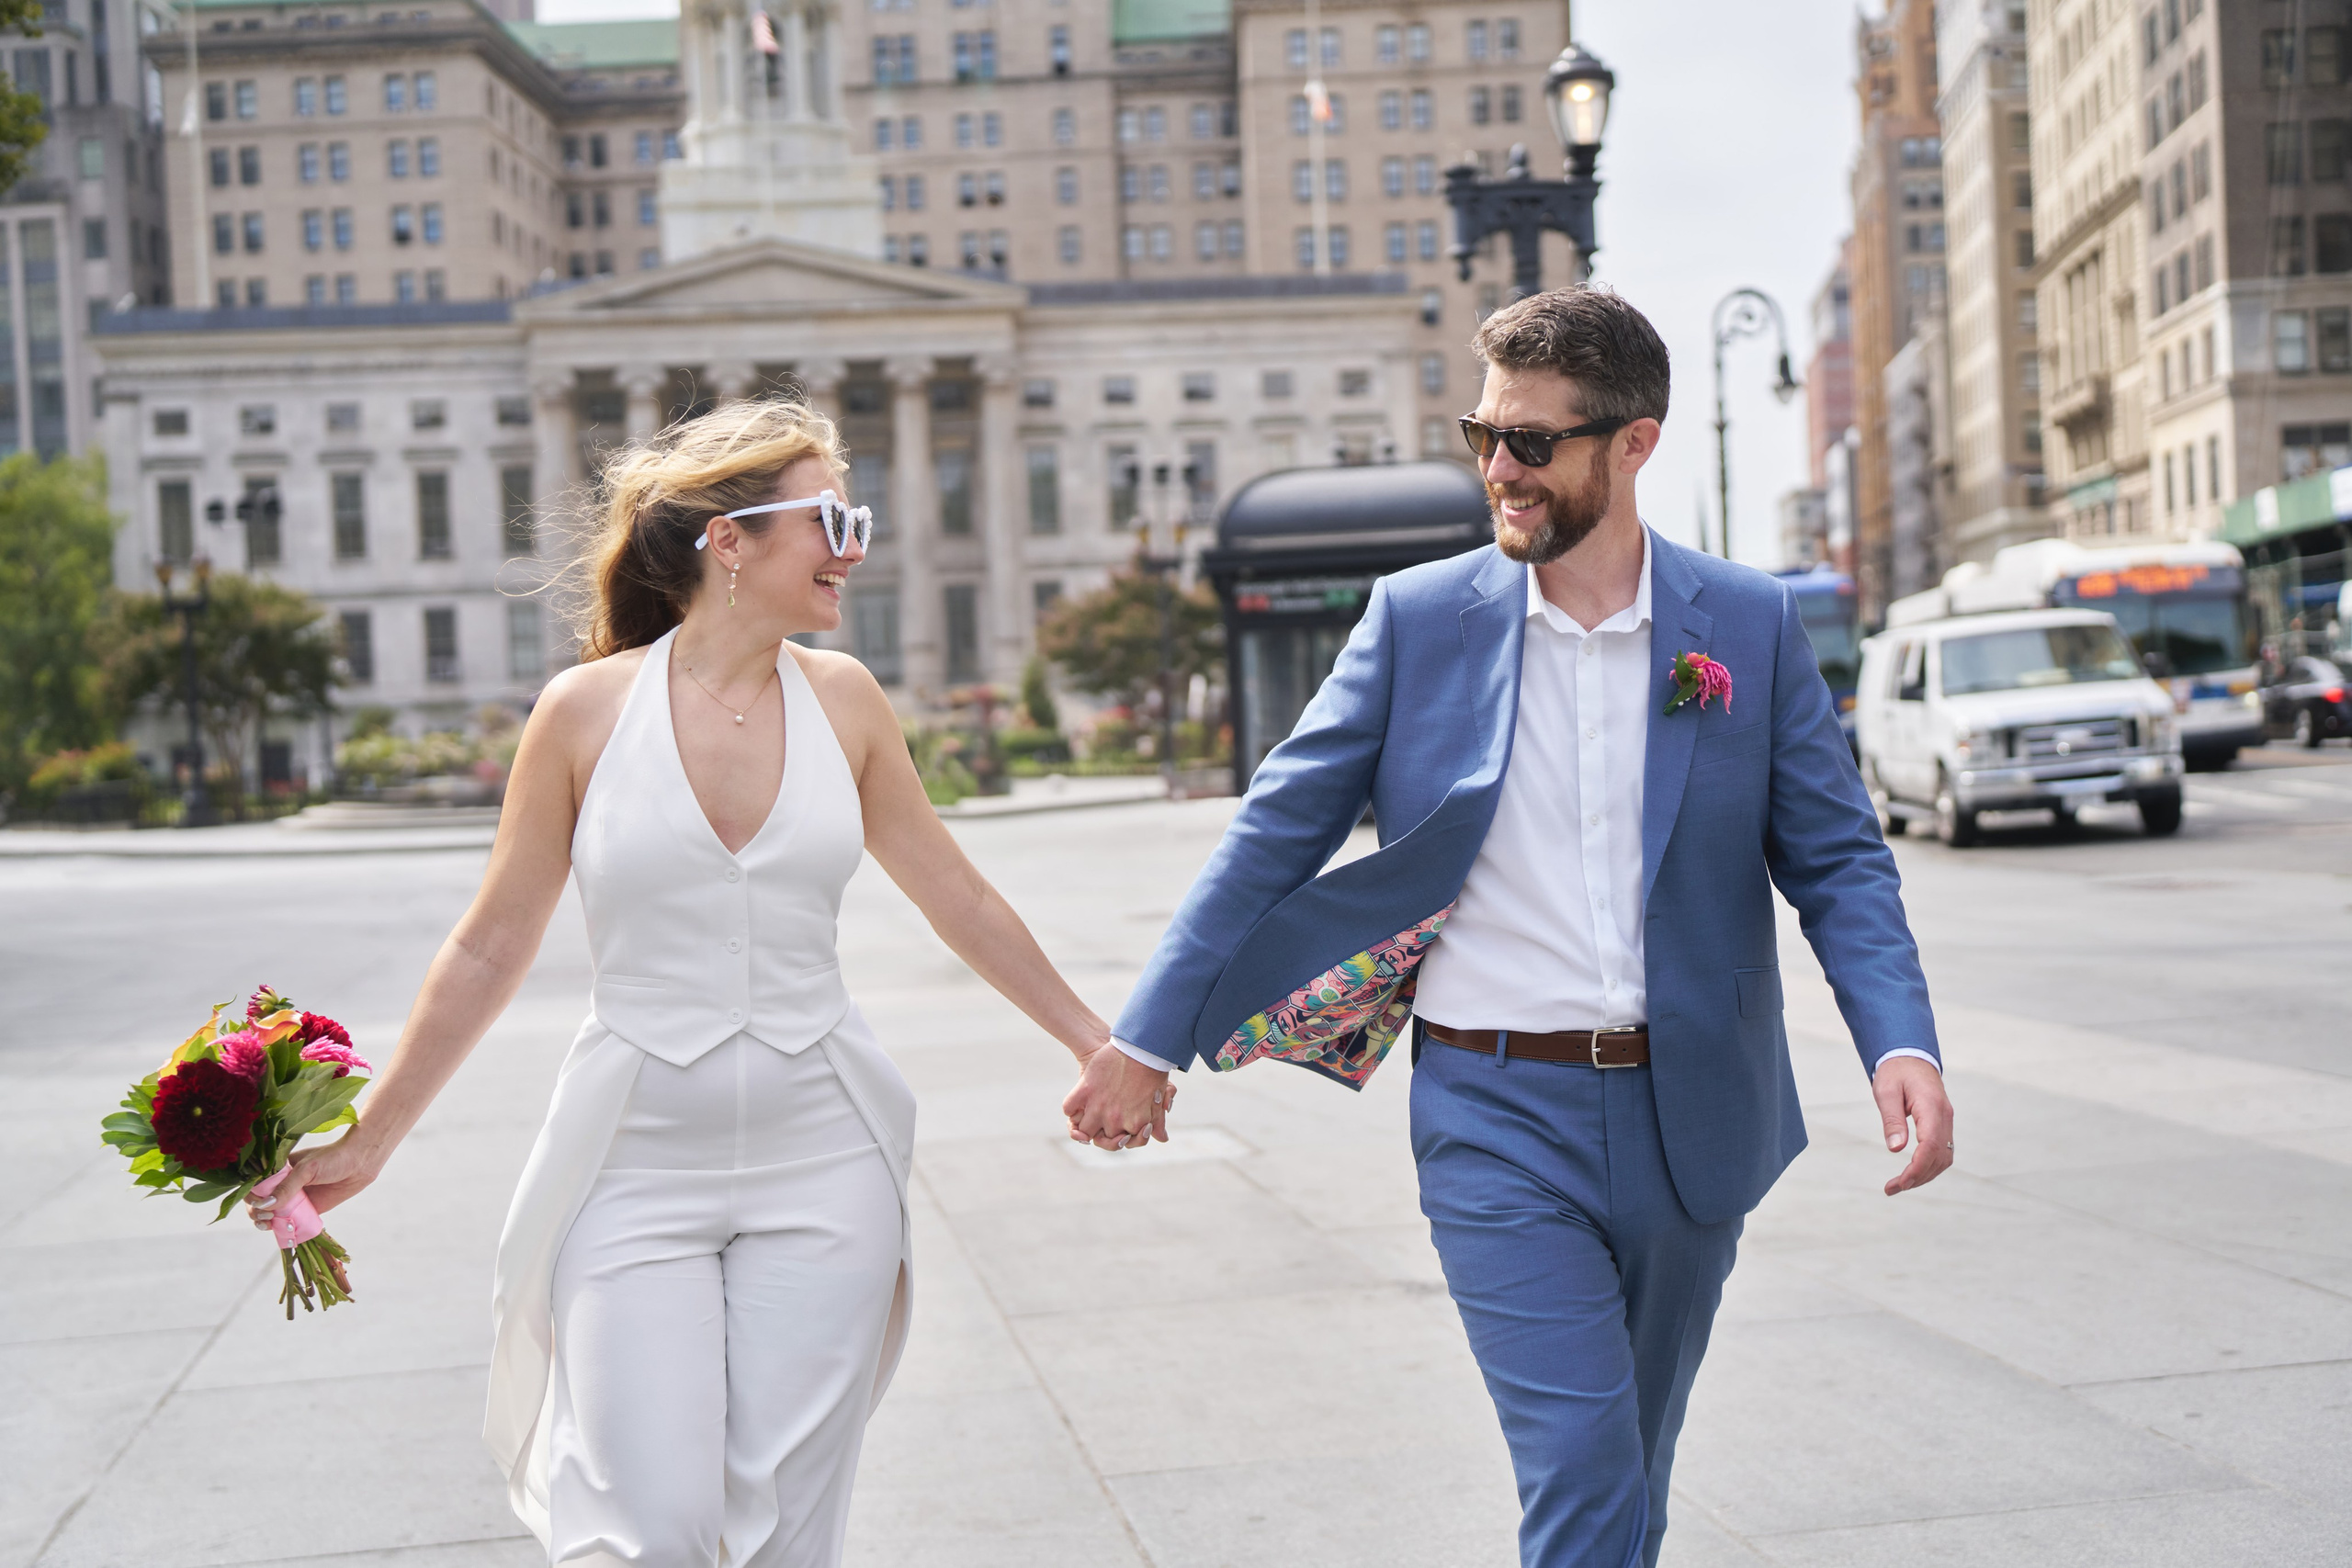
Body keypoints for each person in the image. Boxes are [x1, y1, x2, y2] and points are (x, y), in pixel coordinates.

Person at [1064, 287, 1953, 1568]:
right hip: (1494, 1112)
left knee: (1631, 1471)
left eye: (1532, 441)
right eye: (1483, 433)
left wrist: (1900, 1043)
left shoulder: (1744, 624)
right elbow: (1277, 829)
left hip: (1693, 1112)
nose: (1499, 468)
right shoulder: (1422, 621)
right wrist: (1144, 1037)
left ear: (1632, 444)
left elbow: (1840, 860)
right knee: (1586, 1463)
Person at [249, 399, 1156, 1565]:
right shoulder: (582, 713)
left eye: (857, 515)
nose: (853, 546)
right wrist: (370, 1137)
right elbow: (489, 943)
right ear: (729, 541)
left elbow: (958, 896)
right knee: (653, 1526)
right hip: (632, 1166)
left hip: (825, 1160)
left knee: (786, 1529)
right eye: (829, 516)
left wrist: (1098, 1042)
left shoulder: (848, 701)